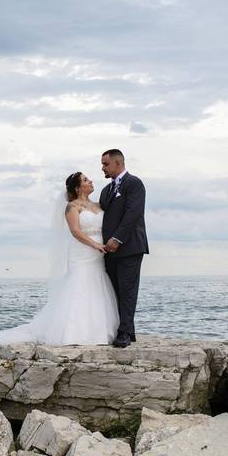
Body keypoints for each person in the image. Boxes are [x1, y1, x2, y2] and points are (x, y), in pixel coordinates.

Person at [0, 172, 119, 346]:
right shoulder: (72, 207)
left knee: (97, 284)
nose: (90, 181)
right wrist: (94, 245)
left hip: (99, 254)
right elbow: (75, 231)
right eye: (85, 180)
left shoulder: (99, 205)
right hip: (82, 252)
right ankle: (74, 332)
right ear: (77, 188)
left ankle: (98, 331)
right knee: (80, 284)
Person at [99, 149, 150, 348]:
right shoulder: (106, 190)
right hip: (109, 251)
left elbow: (133, 214)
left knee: (128, 291)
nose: (103, 168)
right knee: (115, 291)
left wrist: (117, 238)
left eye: (105, 164)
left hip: (130, 247)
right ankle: (130, 330)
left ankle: (124, 334)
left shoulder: (134, 183)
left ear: (117, 163)